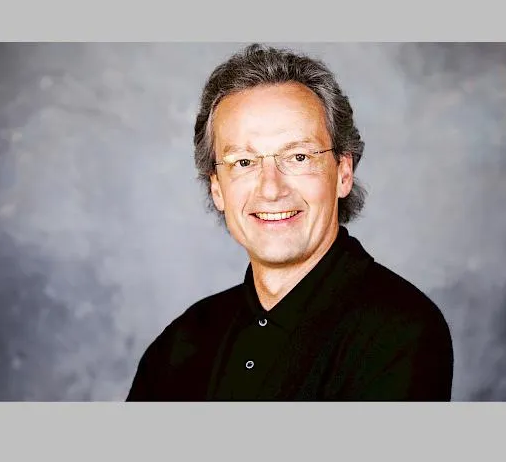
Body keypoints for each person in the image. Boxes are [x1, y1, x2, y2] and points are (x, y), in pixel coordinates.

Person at [126, 44, 453, 401]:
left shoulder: (400, 331)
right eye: (244, 162)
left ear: (343, 173)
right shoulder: (180, 344)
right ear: (217, 188)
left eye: (298, 157)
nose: (271, 189)